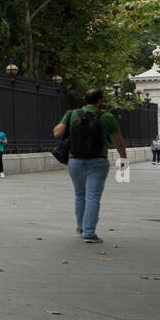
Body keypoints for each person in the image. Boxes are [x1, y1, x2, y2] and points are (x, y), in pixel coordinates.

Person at [53, 89, 128, 244]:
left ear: (85, 100)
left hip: (75, 161)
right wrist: (123, 159)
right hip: (98, 161)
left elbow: (57, 134)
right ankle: (89, 233)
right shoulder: (107, 117)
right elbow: (118, 141)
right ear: (99, 101)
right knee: (93, 196)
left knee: (80, 195)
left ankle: (81, 227)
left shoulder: (72, 113)